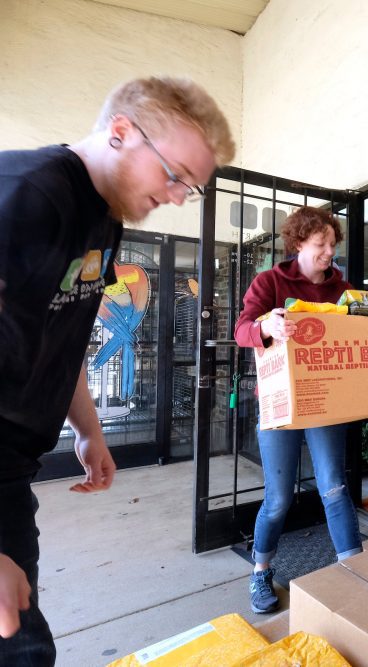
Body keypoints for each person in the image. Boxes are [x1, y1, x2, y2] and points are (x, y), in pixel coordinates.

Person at [0, 77, 234, 663]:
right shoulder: (28, 194)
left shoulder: (104, 220)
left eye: (192, 188)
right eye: (175, 174)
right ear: (121, 132)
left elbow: (66, 333)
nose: (180, 196)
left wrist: (88, 429)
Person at [234, 206, 363, 614]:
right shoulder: (271, 281)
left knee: (335, 488)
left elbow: (361, 347)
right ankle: (261, 571)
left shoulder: (344, 291)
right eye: (320, 244)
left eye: (332, 244)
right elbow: (241, 330)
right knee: (277, 500)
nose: (329, 252)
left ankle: (356, 571)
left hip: (326, 402)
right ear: (298, 244)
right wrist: (264, 329)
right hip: (279, 407)